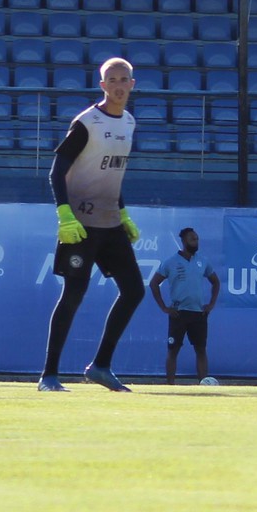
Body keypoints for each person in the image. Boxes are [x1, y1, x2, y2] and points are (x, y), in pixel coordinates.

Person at [39, 58, 146, 392]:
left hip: (110, 223)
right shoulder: (87, 122)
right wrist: (64, 214)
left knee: (134, 291)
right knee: (74, 294)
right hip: (81, 225)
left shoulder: (129, 122)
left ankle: (100, 366)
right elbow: (56, 171)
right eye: (111, 80)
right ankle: (49, 376)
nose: (118, 86)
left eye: (123, 79)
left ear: (132, 84)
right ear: (102, 86)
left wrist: (123, 213)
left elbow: (111, 174)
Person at [149, 226, 219, 386]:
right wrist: (164, 308)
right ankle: (170, 386)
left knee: (201, 350)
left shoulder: (203, 261)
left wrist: (211, 304)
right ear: (184, 241)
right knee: (173, 350)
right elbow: (154, 283)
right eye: (192, 239)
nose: (196, 241)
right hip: (179, 314)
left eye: (197, 238)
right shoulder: (170, 262)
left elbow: (215, 282)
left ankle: (204, 385)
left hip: (198, 314)